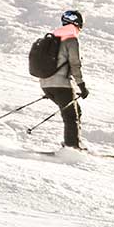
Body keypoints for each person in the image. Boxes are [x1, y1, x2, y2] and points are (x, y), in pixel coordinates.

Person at [40, 9, 89, 149]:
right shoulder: (71, 39)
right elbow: (75, 64)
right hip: (61, 86)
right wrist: (82, 86)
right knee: (71, 116)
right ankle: (72, 147)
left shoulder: (52, 38)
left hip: (46, 84)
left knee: (74, 111)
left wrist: (50, 87)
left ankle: (73, 144)